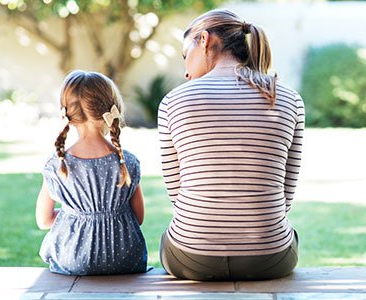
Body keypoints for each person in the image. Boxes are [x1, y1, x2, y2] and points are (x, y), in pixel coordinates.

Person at [158, 9, 305, 281]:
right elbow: (285, 194)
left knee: (170, 238)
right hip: (270, 258)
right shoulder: (288, 99)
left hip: (192, 258)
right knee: (289, 234)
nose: (186, 72)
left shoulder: (173, 101)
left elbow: (177, 194)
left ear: (204, 40)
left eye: (185, 55)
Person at [36, 70, 147, 276]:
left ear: (66, 114)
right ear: (111, 110)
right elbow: (138, 217)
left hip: (73, 260)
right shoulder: (128, 162)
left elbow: (43, 221)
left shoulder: (57, 165)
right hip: (125, 258)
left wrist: (75, 215)